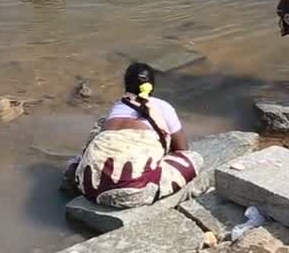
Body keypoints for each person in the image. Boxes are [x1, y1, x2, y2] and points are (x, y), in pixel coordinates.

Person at [72, 63, 203, 209]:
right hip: (131, 193)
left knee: (101, 125)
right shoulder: (163, 107)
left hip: (88, 188)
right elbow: (182, 149)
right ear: (151, 85)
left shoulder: (116, 108)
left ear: (126, 84)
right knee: (194, 159)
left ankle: (77, 165)